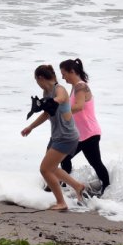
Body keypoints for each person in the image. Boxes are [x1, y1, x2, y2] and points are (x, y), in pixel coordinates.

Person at [21, 64, 87, 210]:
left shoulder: (59, 89)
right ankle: (78, 186)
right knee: (52, 168)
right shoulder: (46, 92)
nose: (37, 83)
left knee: (45, 169)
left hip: (66, 137)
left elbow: (61, 98)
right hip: (57, 136)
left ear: (40, 78)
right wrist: (30, 127)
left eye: (36, 80)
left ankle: (61, 203)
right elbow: (47, 114)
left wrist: (50, 101)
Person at [59, 58, 111, 197]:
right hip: (80, 135)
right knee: (64, 158)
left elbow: (79, 106)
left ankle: (107, 191)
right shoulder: (75, 87)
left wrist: (61, 110)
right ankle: (64, 186)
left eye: (64, 74)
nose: (63, 77)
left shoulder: (80, 87)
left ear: (72, 71)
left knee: (96, 163)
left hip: (89, 134)